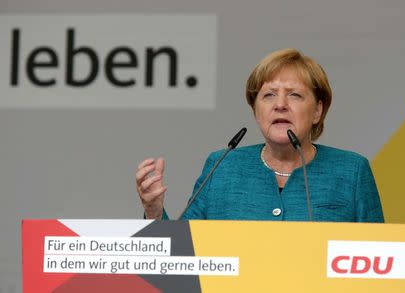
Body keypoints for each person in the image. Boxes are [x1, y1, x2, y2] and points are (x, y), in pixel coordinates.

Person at [136, 48, 384, 222]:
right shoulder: (222, 167)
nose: (280, 104)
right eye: (268, 95)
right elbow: (181, 255)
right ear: (256, 110)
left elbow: (380, 260)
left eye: (295, 94)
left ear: (318, 110)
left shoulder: (352, 171)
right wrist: (154, 212)